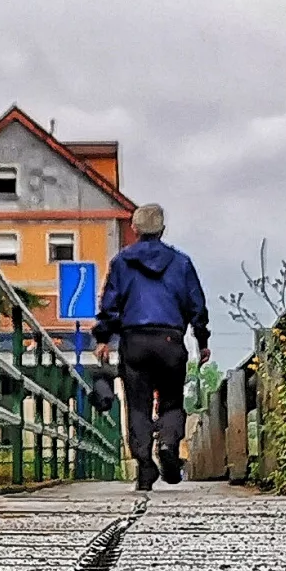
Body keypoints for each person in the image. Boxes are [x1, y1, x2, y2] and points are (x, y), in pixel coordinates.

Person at [95, 202, 209, 491]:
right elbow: (196, 304)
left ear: (134, 229)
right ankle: (169, 444)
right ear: (163, 230)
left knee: (138, 405)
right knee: (171, 401)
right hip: (170, 339)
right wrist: (202, 341)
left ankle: (145, 464)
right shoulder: (181, 263)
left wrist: (103, 338)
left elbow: (111, 303)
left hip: (134, 341)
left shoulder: (121, 262)